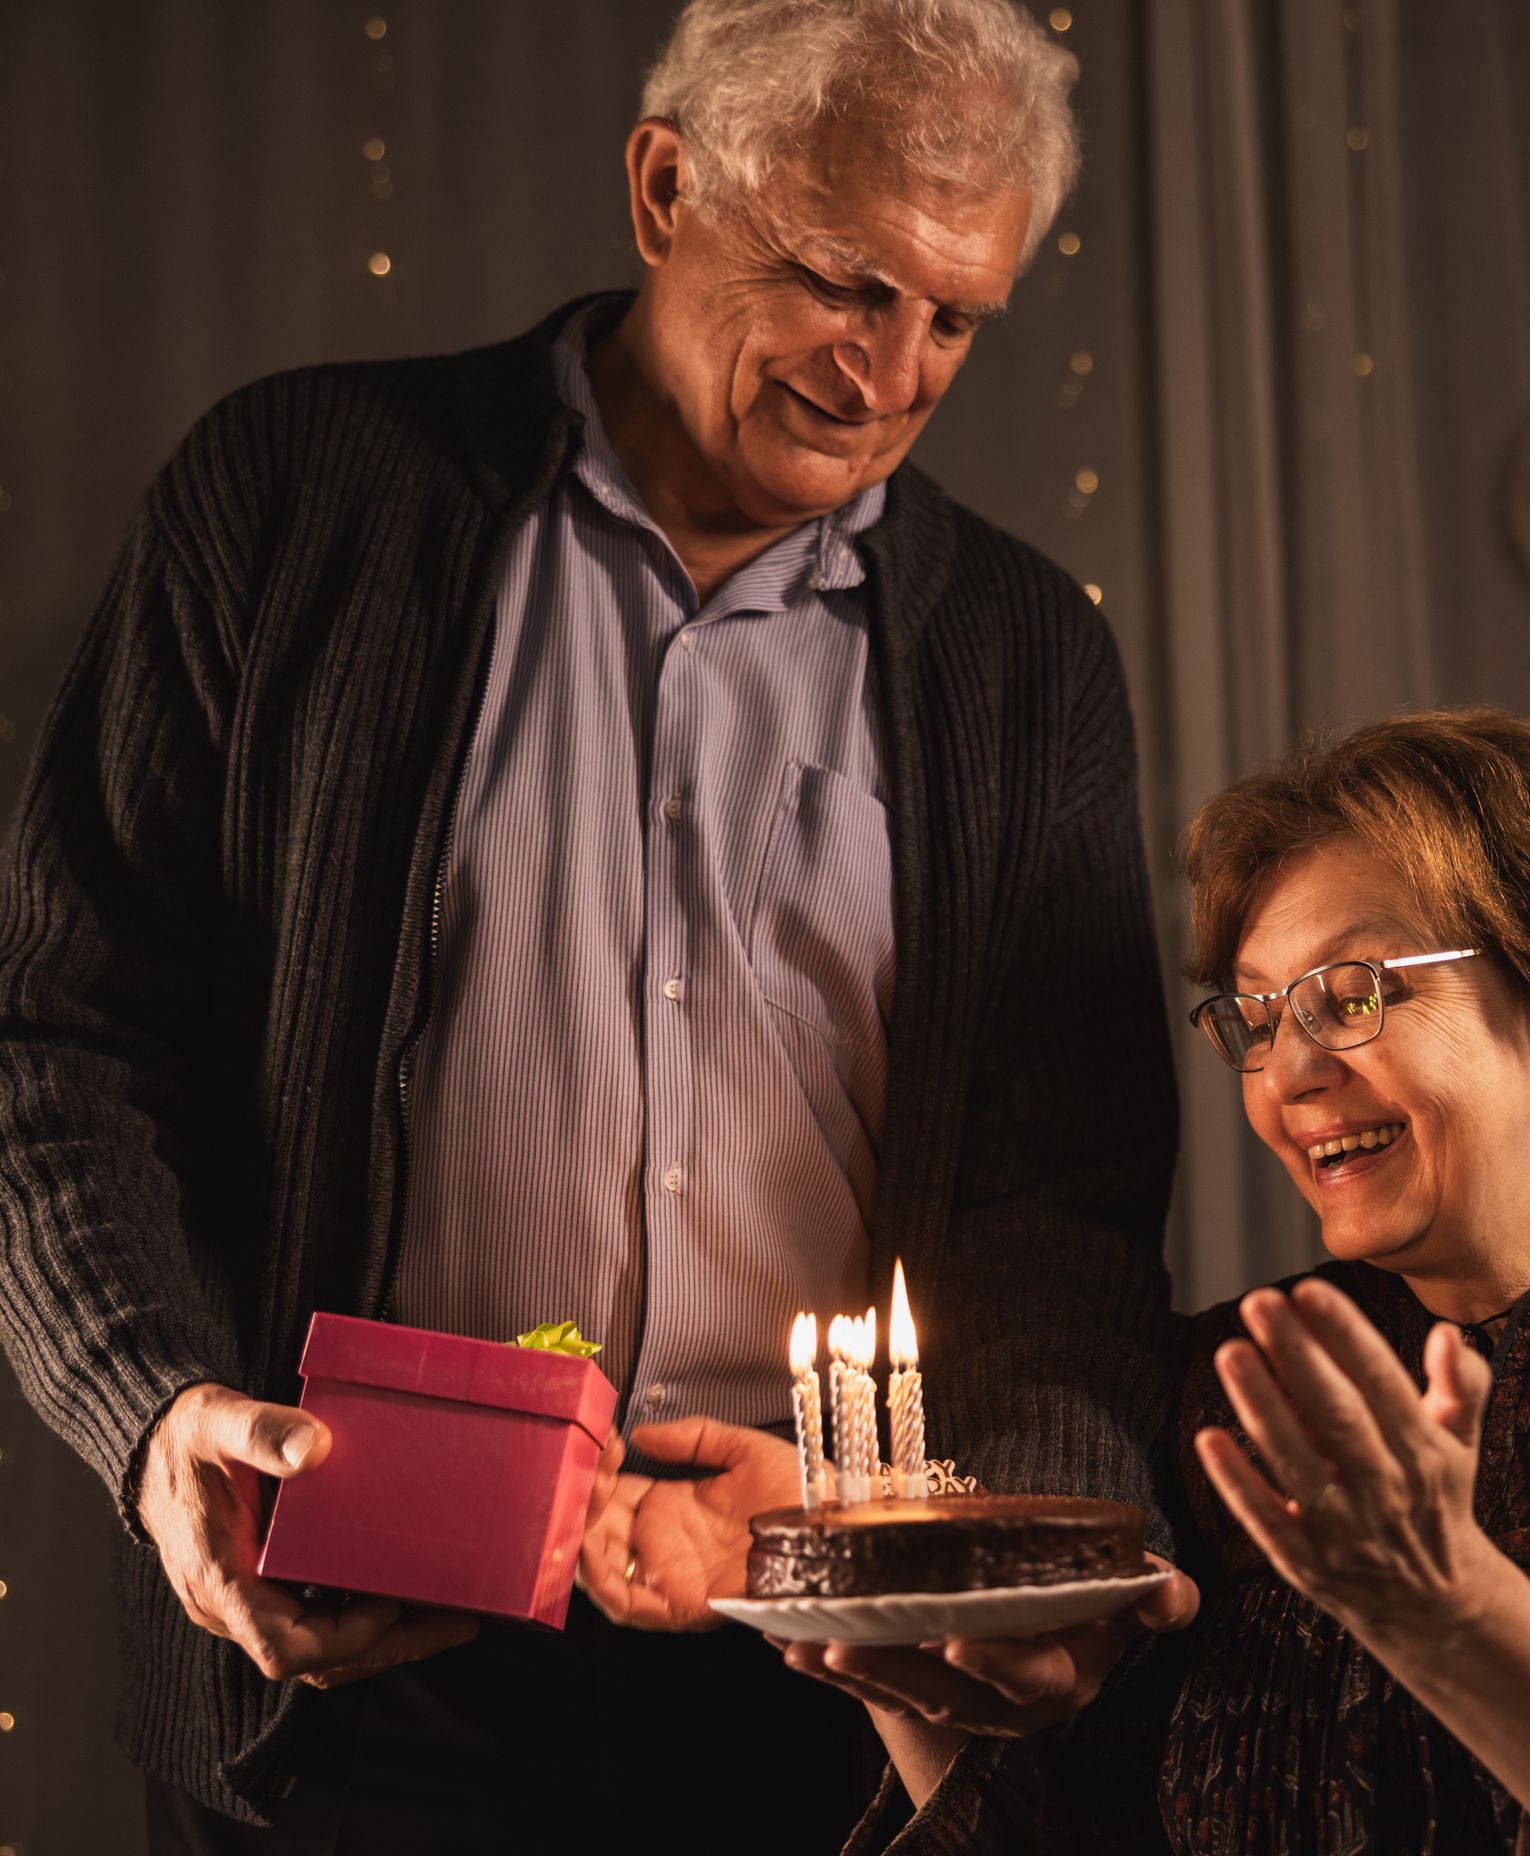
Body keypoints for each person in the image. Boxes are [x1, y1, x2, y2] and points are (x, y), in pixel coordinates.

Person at [0, 1, 1178, 1846]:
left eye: (956, 316)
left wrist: (989, 1569)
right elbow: (56, 1039)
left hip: (823, 1693)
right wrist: (156, 1413)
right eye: (844, 282)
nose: (892, 371)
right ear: (663, 184)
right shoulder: (294, 493)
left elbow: (1069, 1213)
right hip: (341, 1676)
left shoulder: (1027, 662)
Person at [795, 706, 1530, 1853]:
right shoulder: (1221, 1382)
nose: (1290, 1073)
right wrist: (890, 1633)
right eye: (1257, 1016)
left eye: (1355, 993)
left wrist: (1447, 1610)